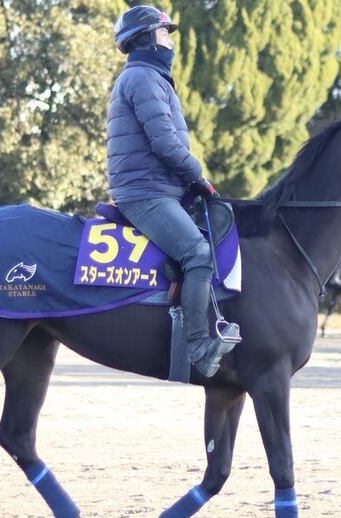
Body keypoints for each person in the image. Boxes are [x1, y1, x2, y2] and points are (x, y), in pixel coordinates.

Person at [107, 5, 238, 377]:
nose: (170, 42)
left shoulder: (149, 78)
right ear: (148, 38)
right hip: (146, 192)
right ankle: (198, 345)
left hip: (159, 188)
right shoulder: (144, 79)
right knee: (198, 253)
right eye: (165, 34)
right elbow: (164, 142)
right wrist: (199, 177)